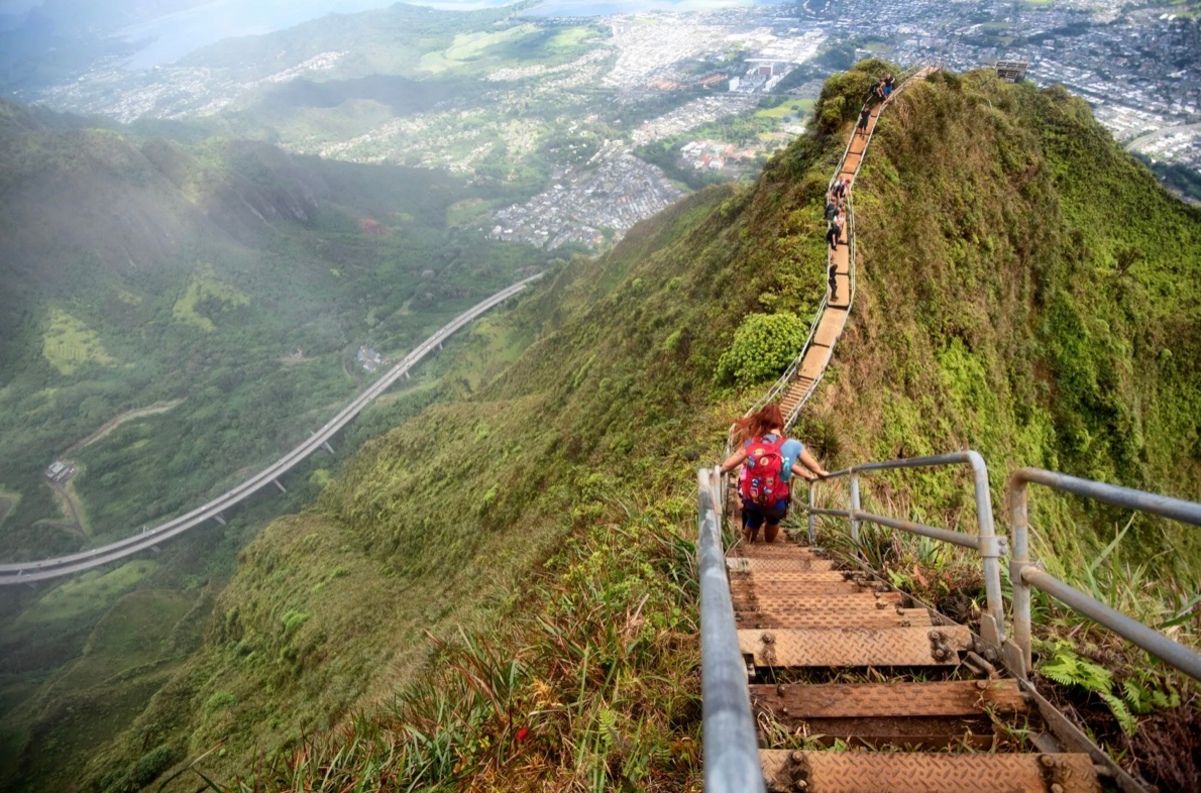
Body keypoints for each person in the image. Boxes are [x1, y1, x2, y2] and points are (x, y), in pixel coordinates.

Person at [719, 404, 830, 543]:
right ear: (781, 423)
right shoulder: (793, 445)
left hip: (754, 500)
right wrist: (819, 472)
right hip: (777, 502)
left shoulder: (751, 443)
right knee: (773, 520)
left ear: (761, 422)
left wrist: (720, 471)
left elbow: (728, 465)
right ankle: (769, 544)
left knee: (753, 519)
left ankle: (750, 545)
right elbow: (813, 466)